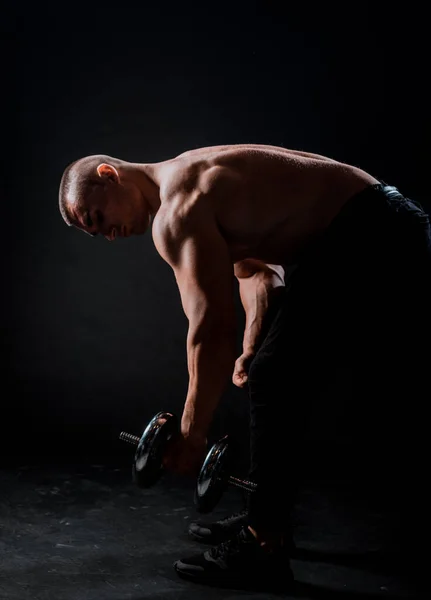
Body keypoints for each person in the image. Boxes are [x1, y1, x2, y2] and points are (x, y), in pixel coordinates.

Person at [58, 144, 431, 591]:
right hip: (380, 219)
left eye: (97, 220)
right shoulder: (195, 176)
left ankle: (264, 545)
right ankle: (269, 517)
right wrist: (254, 341)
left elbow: (210, 325)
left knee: (278, 377)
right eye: (96, 235)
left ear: (109, 174)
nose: (109, 237)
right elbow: (257, 271)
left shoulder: (178, 209)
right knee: (274, 371)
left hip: (370, 229)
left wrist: (192, 434)